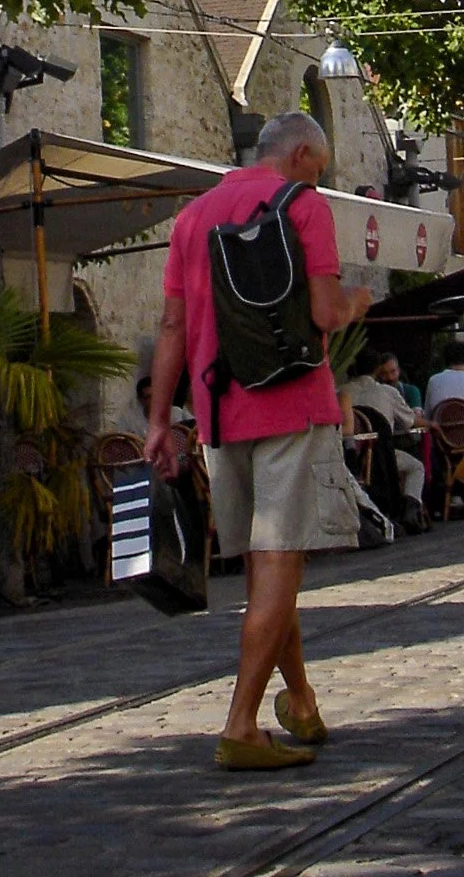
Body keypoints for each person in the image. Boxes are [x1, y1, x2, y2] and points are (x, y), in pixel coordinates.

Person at [144, 111, 372, 772]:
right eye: (319, 168)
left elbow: (170, 327)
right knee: (278, 564)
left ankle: (298, 699)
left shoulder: (194, 217)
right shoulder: (303, 207)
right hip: (292, 405)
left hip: (219, 409)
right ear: (301, 155)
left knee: (266, 568)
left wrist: (160, 420)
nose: (318, 179)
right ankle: (241, 723)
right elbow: (325, 313)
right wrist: (356, 302)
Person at [342, 359, 428, 529]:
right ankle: (409, 512)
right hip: (382, 456)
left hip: (350, 459)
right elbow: (409, 421)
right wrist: (431, 424)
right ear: (376, 370)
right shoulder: (388, 392)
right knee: (416, 467)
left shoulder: (341, 393)